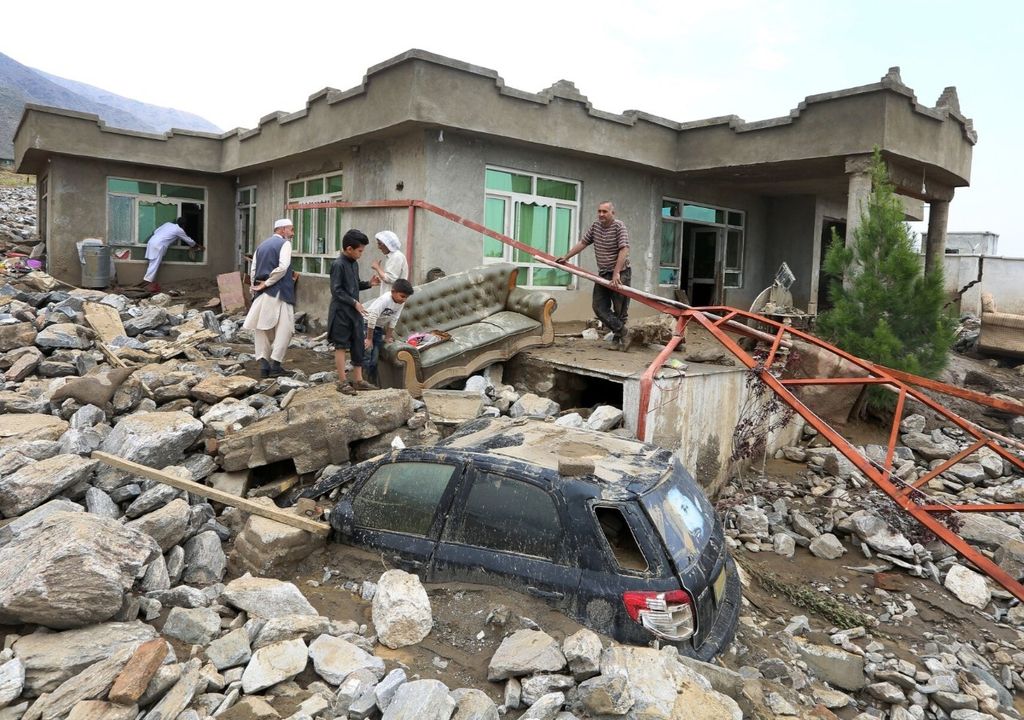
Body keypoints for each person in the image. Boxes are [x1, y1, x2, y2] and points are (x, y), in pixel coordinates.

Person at [556, 201, 633, 350]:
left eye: (605, 211)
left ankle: (619, 340)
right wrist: (566, 257)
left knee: (620, 309)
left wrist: (616, 273)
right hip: (603, 273)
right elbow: (583, 243)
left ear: (612, 213)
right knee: (598, 306)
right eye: (599, 211)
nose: (601, 214)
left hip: (620, 272)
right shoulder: (595, 226)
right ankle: (623, 332)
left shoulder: (619, 226)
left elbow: (624, 250)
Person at [243, 218, 296, 378]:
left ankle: (264, 365)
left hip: (261, 293)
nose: (292, 234)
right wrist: (267, 283)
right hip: (279, 292)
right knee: (285, 329)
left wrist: (255, 289)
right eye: (291, 230)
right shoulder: (285, 244)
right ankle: (276, 365)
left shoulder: (261, 246)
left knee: (262, 329)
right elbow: (283, 267)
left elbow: (253, 270)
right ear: (282, 229)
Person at [329, 229, 377, 395]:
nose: (361, 254)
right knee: (341, 345)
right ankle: (342, 381)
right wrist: (354, 302)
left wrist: (369, 284)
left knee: (358, 343)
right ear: (349, 249)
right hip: (341, 312)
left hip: (354, 311)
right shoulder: (338, 265)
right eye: (360, 251)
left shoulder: (354, 264)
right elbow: (337, 291)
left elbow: (354, 284)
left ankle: (358, 379)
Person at [363, 278, 414, 385]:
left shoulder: (400, 303)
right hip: (366, 325)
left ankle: (372, 383)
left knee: (374, 358)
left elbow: (394, 319)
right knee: (367, 353)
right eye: (402, 296)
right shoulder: (385, 300)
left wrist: (388, 336)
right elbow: (372, 317)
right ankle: (363, 381)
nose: (404, 299)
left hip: (378, 328)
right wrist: (368, 338)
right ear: (393, 292)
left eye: (406, 297)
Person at [142, 217, 203, 292]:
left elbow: (156, 231)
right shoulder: (179, 230)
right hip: (158, 245)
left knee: (152, 264)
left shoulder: (168, 224)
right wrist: (197, 246)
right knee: (154, 265)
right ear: (184, 225)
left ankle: (147, 283)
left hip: (151, 242)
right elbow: (189, 241)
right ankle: (147, 284)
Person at [369, 230, 409, 296]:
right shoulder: (392, 256)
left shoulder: (396, 256)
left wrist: (377, 268)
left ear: (387, 244)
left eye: (380, 244)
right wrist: (381, 279)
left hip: (393, 298)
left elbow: (390, 279)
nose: (379, 247)